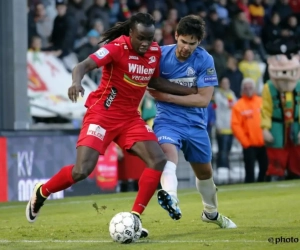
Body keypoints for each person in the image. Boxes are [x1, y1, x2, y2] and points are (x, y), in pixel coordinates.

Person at [25, 13, 197, 237]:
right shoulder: (117, 48)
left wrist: (190, 91)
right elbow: (83, 65)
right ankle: (42, 191)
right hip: (102, 115)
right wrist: (76, 82)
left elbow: (154, 81)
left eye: (150, 38)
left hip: (129, 118)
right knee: (82, 170)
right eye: (141, 38)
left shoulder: (154, 52)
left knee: (158, 160)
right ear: (130, 34)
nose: (146, 43)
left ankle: (134, 218)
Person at [148, 15, 236, 229]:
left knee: (205, 173)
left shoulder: (204, 60)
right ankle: (171, 197)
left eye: (192, 43)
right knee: (168, 156)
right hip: (167, 120)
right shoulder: (160, 54)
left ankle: (211, 213)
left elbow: (203, 99)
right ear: (176, 35)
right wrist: (183, 94)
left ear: (199, 43)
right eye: (183, 41)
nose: (186, 47)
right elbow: (151, 87)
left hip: (196, 124)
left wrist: (168, 96)